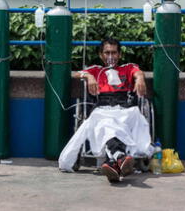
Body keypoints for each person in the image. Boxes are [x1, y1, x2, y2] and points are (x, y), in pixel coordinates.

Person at [59, 38, 153, 183]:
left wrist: (140, 78)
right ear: (101, 55)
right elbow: (77, 74)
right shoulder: (96, 70)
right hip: (103, 109)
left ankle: (115, 161)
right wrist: (89, 76)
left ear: (119, 54)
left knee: (111, 125)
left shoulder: (127, 67)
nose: (111, 56)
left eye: (114, 53)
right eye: (107, 53)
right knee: (106, 123)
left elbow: (137, 72)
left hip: (125, 109)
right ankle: (119, 159)